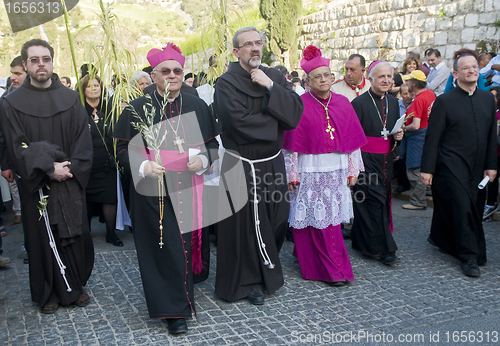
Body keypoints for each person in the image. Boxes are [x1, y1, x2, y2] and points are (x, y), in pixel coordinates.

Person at [113, 43, 219, 334]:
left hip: (189, 186)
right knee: (163, 247)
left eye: (177, 70)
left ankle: (184, 294)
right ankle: (173, 312)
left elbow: (212, 146)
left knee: (184, 246)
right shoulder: (137, 108)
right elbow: (122, 152)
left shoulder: (196, 105)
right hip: (153, 191)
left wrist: (203, 159)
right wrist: (142, 166)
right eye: (165, 71)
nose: (172, 75)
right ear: (154, 74)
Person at [1, 39, 94, 313]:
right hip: (37, 181)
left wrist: (70, 168)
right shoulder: (11, 104)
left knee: (74, 232)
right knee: (41, 236)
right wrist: (47, 168)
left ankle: (74, 287)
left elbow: (82, 138)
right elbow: (15, 144)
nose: (41, 64)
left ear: (52, 62)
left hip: (69, 178)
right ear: (26, 64)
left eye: (45, 58)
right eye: (34, 60)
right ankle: (48, 292)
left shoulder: (71, 98)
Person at [213, 27, 303, 305]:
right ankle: (249, 281)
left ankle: (267, 268)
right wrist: (276, 117)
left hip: (271, 162)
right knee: (245, 226)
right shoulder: (226, 83)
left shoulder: (274, 76)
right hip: (241, 164)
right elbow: (237, 122)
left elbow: (295, 113)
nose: (254, 48)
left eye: (258, 43)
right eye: (248, 44)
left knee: (277, 217)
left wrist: (271, 87)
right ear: (236, 51)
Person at [282, 45, 366, 286]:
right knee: (310, 217)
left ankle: (331, 265)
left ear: (332, 76)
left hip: (337, 169)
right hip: (308, 171)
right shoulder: (300, 104)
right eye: (317, 77)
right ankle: (317, 263)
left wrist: (352, 170)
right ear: (307, 81)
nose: (323, 80)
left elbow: (352, 141)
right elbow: (291, 145)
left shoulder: (342, 103)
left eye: (327, 75)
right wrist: (292, 172)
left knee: (329, 221)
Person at [421, 52, 497, 277]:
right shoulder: (444, 101)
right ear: (455, 74)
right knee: (463, 207)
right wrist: (427, 169)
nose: (472, 70)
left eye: (474, 67)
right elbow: (433, 137)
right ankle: (469, 256)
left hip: (478, 167)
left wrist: (491, 165)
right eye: (465, 68)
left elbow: (492, 135)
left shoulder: (486, 99)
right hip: (451, 165)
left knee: (473, 206)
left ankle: (442, 239)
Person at [350, 61, 404, 265]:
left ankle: (359, 239)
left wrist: (398, 139)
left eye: (389, 77)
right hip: (365, 161)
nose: (386, 80)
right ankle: (384, 248)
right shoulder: (359, 103)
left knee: (374, 203)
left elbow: (393, 133)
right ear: (370, 79)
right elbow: (353, 137)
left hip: (386, 161)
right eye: (381, 77)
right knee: (374, 202)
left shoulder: (393, 101)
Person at [79, 74, 122, 247]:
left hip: (107, 163)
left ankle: (111, 233)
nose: (93, 88)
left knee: (110, 199)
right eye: (89, 86)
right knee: (87, 201)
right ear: (83, 90)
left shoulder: (110, 108)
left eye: (96, 85)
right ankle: (85, 235)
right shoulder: (79, 110)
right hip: (87, 163)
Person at [400, 70, 436, 210]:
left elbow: (415, 125)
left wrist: (403, 127)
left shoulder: (419, 99)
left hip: (417, 137)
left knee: (414, 171)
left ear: (414, 83)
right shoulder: (430, 94)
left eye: (408, 81)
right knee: (422, 167)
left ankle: (418, 201)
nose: (406, 83)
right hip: (427, 134)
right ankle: (425, 192)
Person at [483, 86, 500, 220]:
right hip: (493, 152)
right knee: (491, 182)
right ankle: (490, 204)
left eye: (495, 96)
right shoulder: (489, 111)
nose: (493, 99)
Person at [394, 84, 413, 193]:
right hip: (399, 134)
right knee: (399, 158)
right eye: (405, 93)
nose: (408, 96)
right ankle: (402, 183)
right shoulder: (397, 104)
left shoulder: (415, 103)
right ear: (400, 94)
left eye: (410, 93)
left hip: (411, 133)